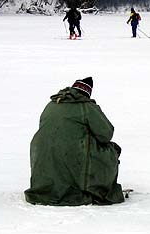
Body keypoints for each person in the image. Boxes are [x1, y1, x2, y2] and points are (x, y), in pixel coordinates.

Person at [24, 77, 124, 206]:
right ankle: (97, 189)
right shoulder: (86, 106)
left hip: (41, 156)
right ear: (87, 93)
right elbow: (106, 135)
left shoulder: (52, 104)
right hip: (71, 157)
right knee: (111, 151)